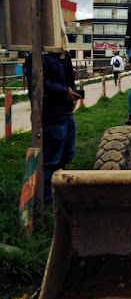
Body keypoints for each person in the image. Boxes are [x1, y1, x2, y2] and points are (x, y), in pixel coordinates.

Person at [25, 51, 80, 202]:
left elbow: (70, 78)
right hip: (51, 114)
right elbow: (37, 82)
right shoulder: (37, 57)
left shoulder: (64, 55)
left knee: (68, 152)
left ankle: (57, 186)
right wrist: (64, 91)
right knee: (51, 158)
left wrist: (72, 93)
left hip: (66, 112)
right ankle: (47, 197)